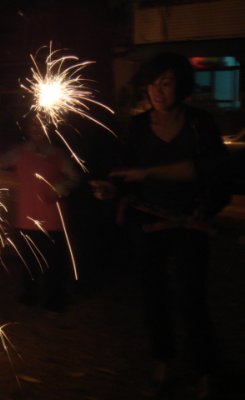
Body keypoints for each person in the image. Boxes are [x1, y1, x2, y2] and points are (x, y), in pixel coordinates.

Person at [90, 52, 230, 399]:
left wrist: (149, 174)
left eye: (166, 83)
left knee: (192, 298)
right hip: (148, 225)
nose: (158, 91)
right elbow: (124, 175)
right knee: (153, 297)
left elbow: (209, 170)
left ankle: (204, 370)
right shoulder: (137, 128)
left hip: (190, 223)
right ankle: (162, 362)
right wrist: (111, 189)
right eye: (152, 83)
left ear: (181, 85)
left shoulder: (199, 124)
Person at [0, 116, 82, 314]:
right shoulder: (19, 152)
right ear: (27, 129)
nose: (37, 130)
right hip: (26, 218)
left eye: (41, 126)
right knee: (28, 262)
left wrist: (59, 188)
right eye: (33, 126)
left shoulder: (58, 154)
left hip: (53, 219)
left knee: (54, 262)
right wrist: (5, 179)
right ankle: (29, 296)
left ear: (48, 128)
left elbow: (75, 177)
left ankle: (55, 301)